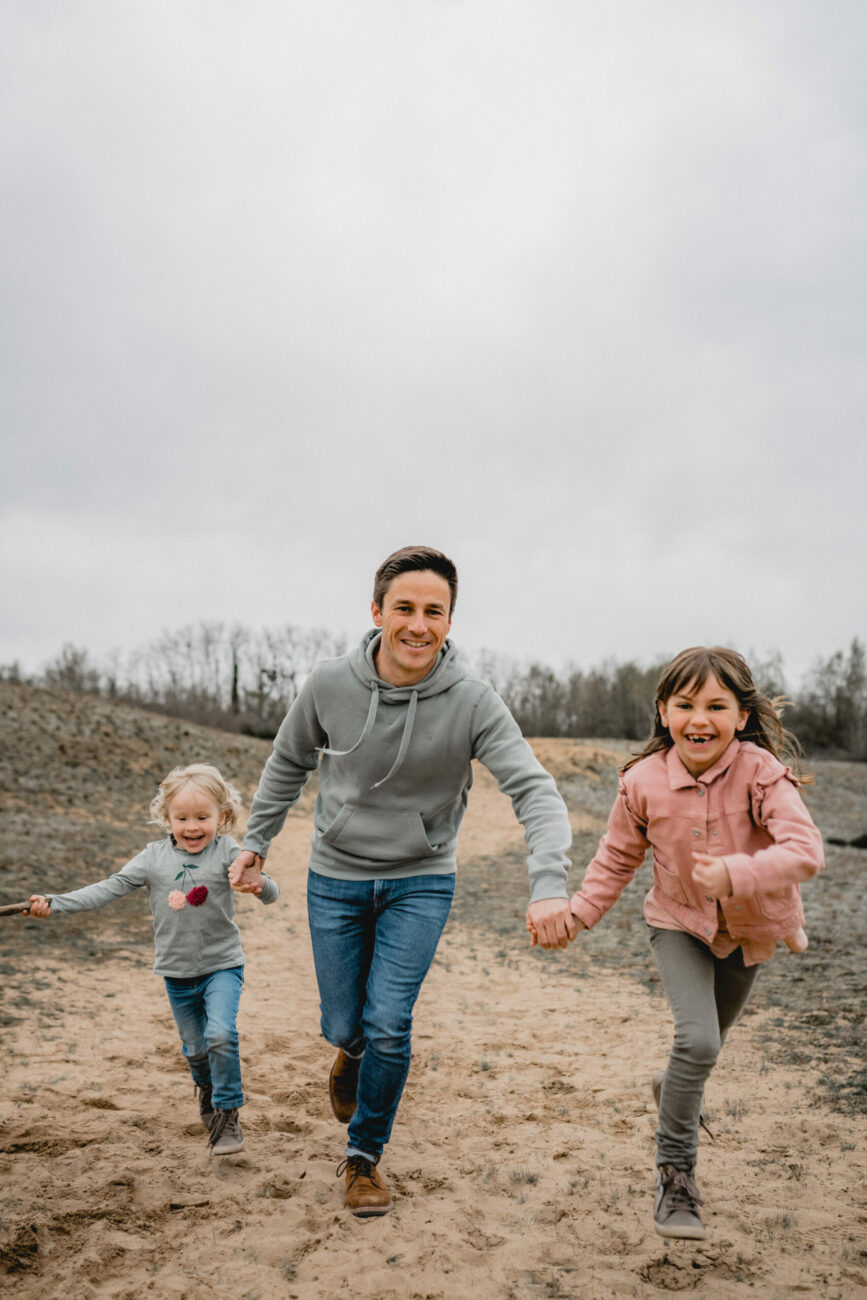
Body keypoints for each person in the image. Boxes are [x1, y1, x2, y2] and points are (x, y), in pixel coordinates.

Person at [229, 545, 574, 1216]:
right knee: (344, 1023)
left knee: (389, 1022)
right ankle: (349, 1052)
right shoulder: (329, 683)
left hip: (421, 878)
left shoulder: (472, 700)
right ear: (377, 611)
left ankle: (363, 1158)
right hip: (336, 875)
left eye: (434, 612)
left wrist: (548, 881)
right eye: (405, 609)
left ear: (450, 619)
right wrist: (256, 845)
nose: (419, 625)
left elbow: (534, 789)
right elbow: (286, 763)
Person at [554, 647, 823, 1240]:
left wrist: (735, 875)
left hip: (749, 930)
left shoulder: (761, 773)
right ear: (664, 711)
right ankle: (676, 1179)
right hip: (678, 924)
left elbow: (805, 851)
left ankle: (669, 1086)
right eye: (685, 704)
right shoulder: (642, 782)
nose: (699, 717)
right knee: (697, 1040)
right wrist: (579, 913)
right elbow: (618, 857)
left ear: (742, 716)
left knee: (700, 1053)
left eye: (716, 705)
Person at [25, 763, 280, 1156]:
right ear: (167, 817)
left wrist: (259, 884)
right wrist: (54, 904)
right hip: (176, 973)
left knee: (221, 1036)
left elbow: (270, 891)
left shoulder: (230, 850)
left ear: (222, 817)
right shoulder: (152, 858)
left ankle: (228, 1114)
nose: (192, 826)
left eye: (202, 817)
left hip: (222, 966)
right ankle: (208, 1091)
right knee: (195, 1049)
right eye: (181, 818)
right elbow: (108, 889)